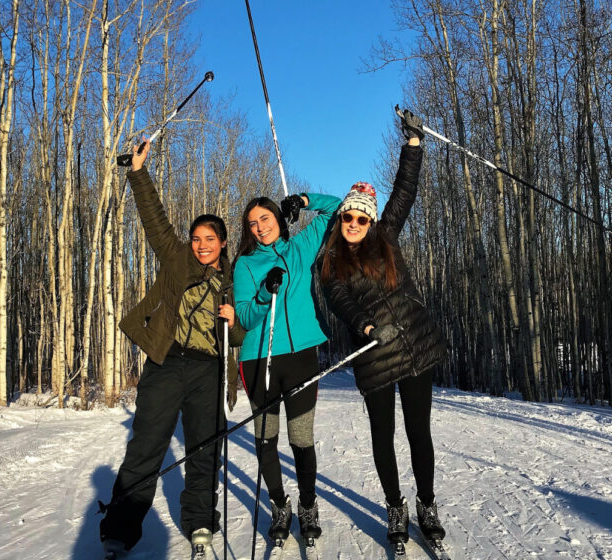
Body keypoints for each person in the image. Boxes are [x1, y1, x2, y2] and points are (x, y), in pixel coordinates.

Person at [99, 139, 245, 559]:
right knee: (146, 446)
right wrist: (137, 172)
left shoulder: (234, 280)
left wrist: (234, 322)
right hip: (167, 361)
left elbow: (239, 337)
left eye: (210, 239)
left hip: (209, 372)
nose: (202, 245)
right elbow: (154, 218)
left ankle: (200, 522)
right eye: (197, 237)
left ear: (222, 242)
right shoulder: (176, 258)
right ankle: (120, 531)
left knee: (204, 448)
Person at [319, 109, 448, 547]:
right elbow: (341, 302)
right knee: (383, 437)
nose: (353, 225)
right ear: (340, 221)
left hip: (414, 348)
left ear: (372, 221)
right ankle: (396, 507)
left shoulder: (387, 238)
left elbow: (404, 190)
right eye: (347, 218)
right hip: (374, 356)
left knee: (419, 433)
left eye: (361, 219)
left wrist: (412, 143)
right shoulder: (331, 262)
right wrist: (367, 325)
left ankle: (426, 503)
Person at [233, 189, 340, 543]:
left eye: (265, 219)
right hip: (257, 360)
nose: (260, 227)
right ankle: (280, 505)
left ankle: (308, 505)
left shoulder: (300, 249)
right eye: (253, 224)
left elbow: (337, 208)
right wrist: (265, 292)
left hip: (300, 358)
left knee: (300, 438)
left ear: (279, 219)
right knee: (266, 440)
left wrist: (304, 201)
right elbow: (245, 316)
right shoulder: (245, 265)